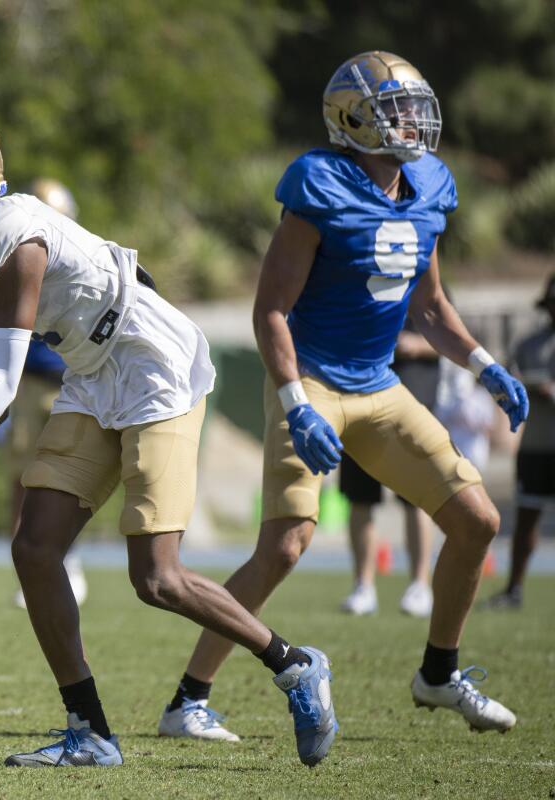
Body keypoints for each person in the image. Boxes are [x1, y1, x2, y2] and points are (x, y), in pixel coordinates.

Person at [0, 110, 336, 768]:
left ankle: (294, 666)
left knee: (158, 578)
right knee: (34, 547)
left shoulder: (8, 233)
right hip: (93, 370)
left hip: (151, 363)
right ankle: (89, 731)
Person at [160, 52, 528, 743]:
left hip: (380, 386)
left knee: (478, 519)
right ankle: (188, 700)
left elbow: (430, 305)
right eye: (395, 111)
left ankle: (439, 674)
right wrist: (295, 402)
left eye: (415, 107)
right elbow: (271, 308)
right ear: (351, 119)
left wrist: (483, 364)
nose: (412, 122)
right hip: (315, 381)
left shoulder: (427, 187)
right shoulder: (320, 183)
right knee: (286, 546)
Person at [3, 179, 87, 610]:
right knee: (23, 479)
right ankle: (27, 566)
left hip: (73, 384)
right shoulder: (17, 259)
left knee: (68, 480)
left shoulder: (83, 260)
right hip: (30, 382)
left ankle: (66, 560)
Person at [339, 325, 439, 618]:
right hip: (360, 408)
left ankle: (421, 586)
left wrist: (417, 344)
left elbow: (451, 336)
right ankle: (363, 587)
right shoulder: (355, 280)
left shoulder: (423, 281)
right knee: (360, 500)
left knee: (416, 501)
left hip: (412, 414)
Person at [486, 274, 555, 609]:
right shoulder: (530, 345)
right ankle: (513, 589)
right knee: (527, 518)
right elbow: (509, 382)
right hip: (536, 445)